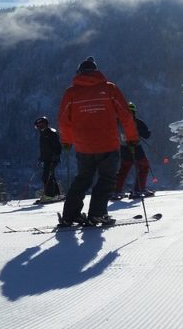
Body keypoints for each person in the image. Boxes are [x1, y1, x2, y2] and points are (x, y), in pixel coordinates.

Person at [58, 57, 139, 227]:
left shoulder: (71, 93)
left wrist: (67, 141)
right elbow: (125, 114)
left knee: (82, 179)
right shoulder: (110, 89)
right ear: (96, 71)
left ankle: (70, 216)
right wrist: (131, 138)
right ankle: (97, 214)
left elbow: (64, 120)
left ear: (79, 73)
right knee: (106, 179)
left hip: (83, 146)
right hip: (108, 144)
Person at [113, 102, 153, 199]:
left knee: (124, 169)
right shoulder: (137, 122)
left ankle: (117, 191)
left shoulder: (117, 122)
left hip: (123, 148)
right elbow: (147, 135)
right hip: (136, 148)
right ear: (134, 111)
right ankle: (138, 190)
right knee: (144, 167)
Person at [34, 116, 62, 202]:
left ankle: (50, 195)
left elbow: (58, 146)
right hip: (47, 159)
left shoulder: (50, 132)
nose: (40, 126)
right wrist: (41, 158)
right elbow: (45, 148)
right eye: (38, 125)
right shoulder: (43, 133)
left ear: (46, 124)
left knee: (46, 176)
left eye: (42, 124)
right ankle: (57, 194)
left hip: (52, 158)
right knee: (51, 175)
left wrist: (56, 155)